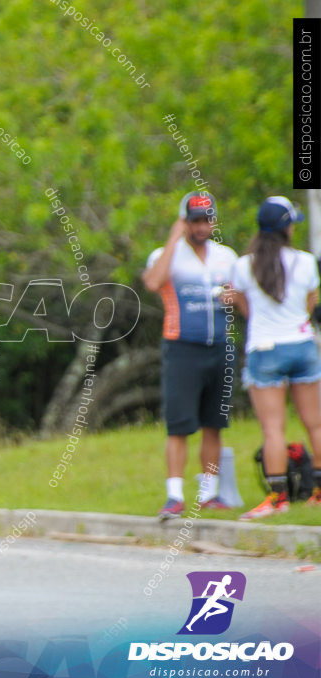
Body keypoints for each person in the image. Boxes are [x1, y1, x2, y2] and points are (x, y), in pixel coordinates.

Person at [142, 191, 238, 519]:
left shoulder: (226, 257)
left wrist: (233, 298)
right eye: (195, 220)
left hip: (220, 347)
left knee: (214, 424)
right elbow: (153, 282)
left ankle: (209, 492)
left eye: (207, 220)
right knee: (179, 425)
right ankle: (174, 495)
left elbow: (243, 303)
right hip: (182, 347)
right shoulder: (166, 255)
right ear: (185, 221)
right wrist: (173, 237)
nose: (202, 227)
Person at [230, 196, 321, 519]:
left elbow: (243, 306)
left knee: (273, 429)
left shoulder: (244, 265)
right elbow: (311, 302)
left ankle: (278, 497)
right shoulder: (306, 261)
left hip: (265, 347)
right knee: (315, 423)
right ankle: (318, 493)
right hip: (301, 344)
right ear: (287, 229)